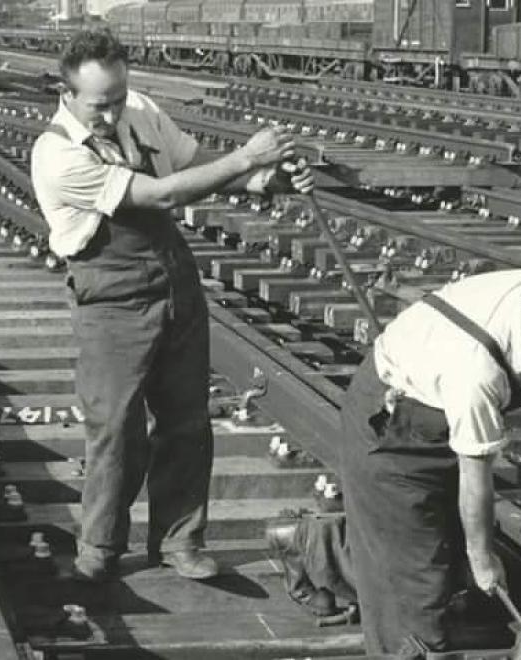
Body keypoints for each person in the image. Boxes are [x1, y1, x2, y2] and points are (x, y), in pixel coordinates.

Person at [30, 29, 314, 582]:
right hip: (111, 299)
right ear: (66, 95)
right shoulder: (57, 154)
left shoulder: (138, 110)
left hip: (175, 285)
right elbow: (162, 194)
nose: (111, 115)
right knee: (114, 428)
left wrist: (265, 179)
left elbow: (193, 164)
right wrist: (246, 155)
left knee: (186, 421)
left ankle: (180, 542)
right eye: (98, 106)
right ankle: (99, 550)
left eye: (117, 99)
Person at [336, 265, 521, 654]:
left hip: (442, 415)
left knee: (437, 554)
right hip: (396, 431)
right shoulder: (474, 366)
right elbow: (475, 472)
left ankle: (342, 547)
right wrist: (481, 557)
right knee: (417, 594)